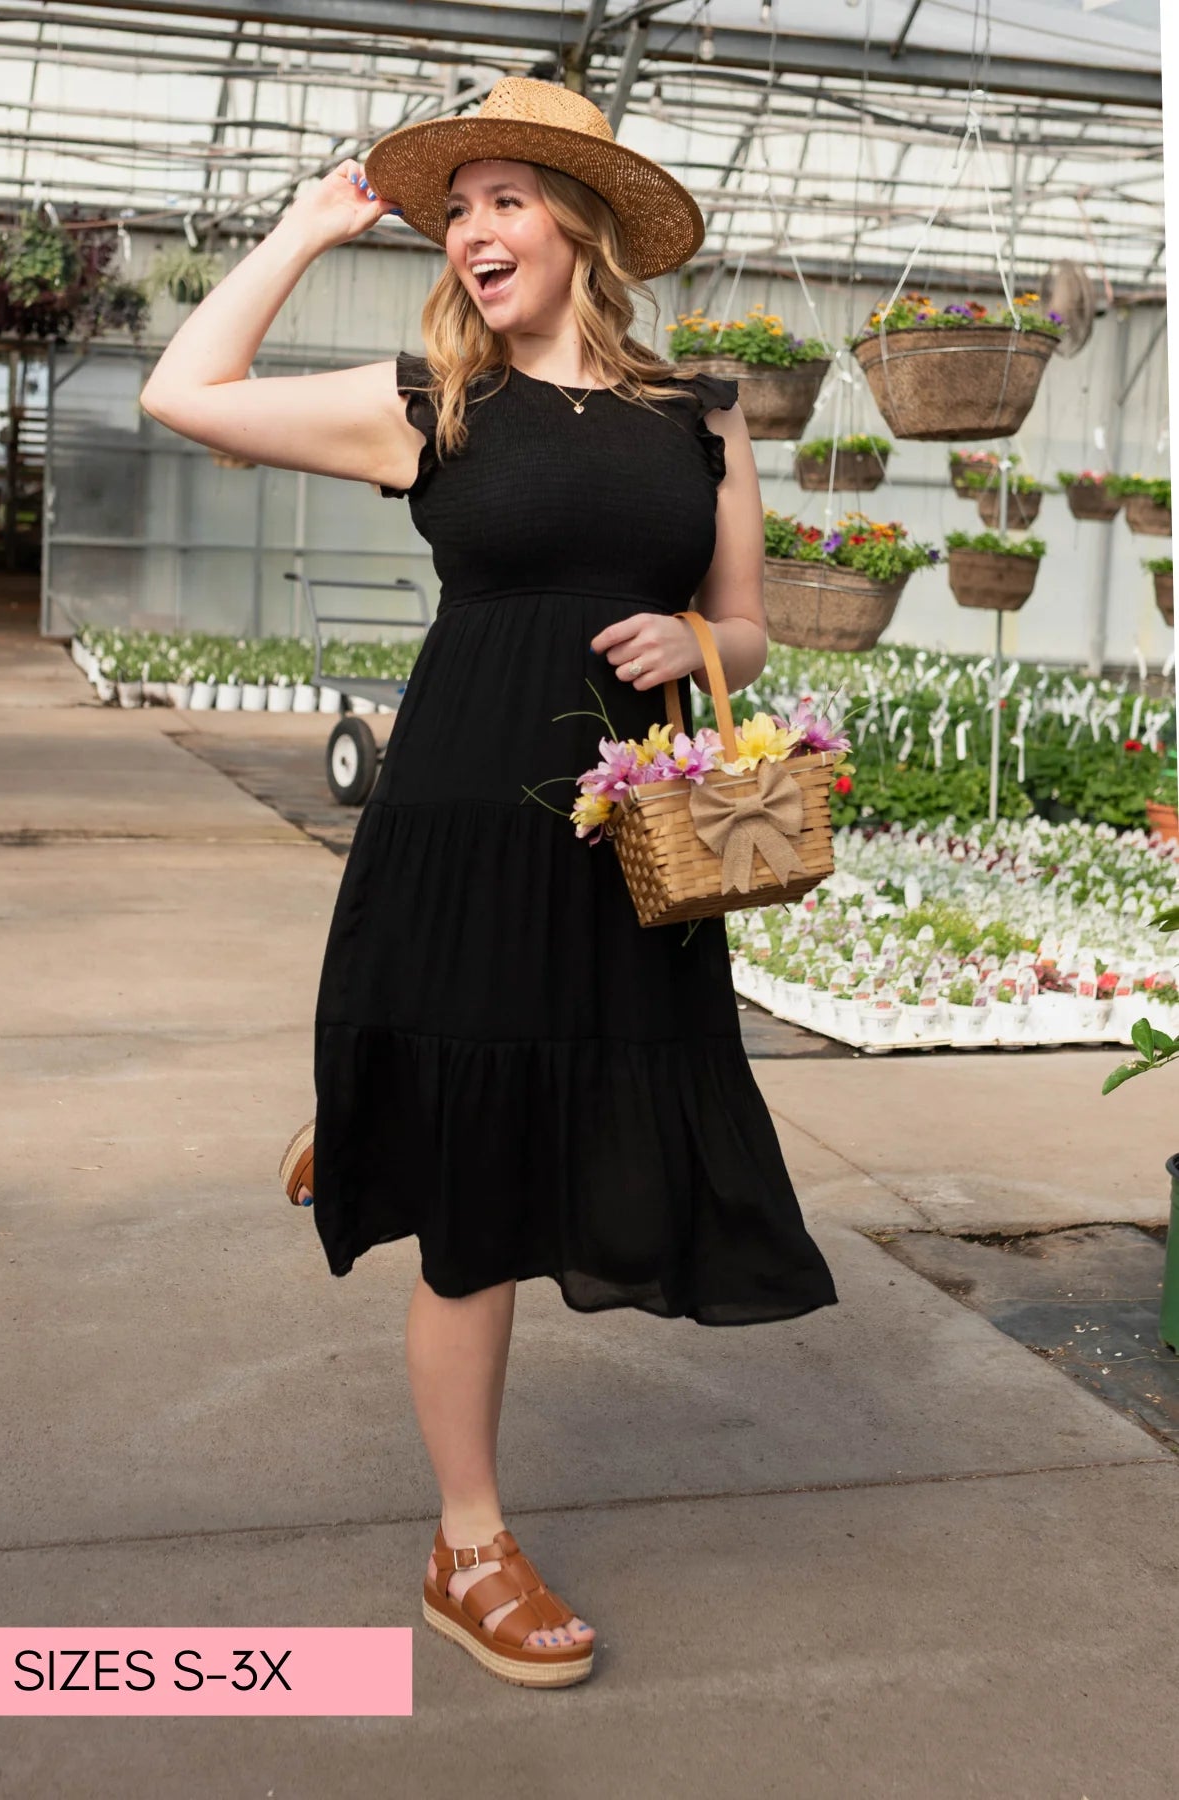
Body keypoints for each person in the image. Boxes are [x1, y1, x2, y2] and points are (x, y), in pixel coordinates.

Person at [142, 77, 837, 1692]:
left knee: (584, 1113)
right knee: (472, 1203)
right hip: (464, 813)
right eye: (455, 211)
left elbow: (744, 627)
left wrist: (696, 638)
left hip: (628, 836)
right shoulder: (429, 405)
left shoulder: (700, 414)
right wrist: (309, 227)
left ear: (578, 226)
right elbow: (187, 389)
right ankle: (468, 1547)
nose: (470, 231)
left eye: (504, 199)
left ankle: (375, 1108)